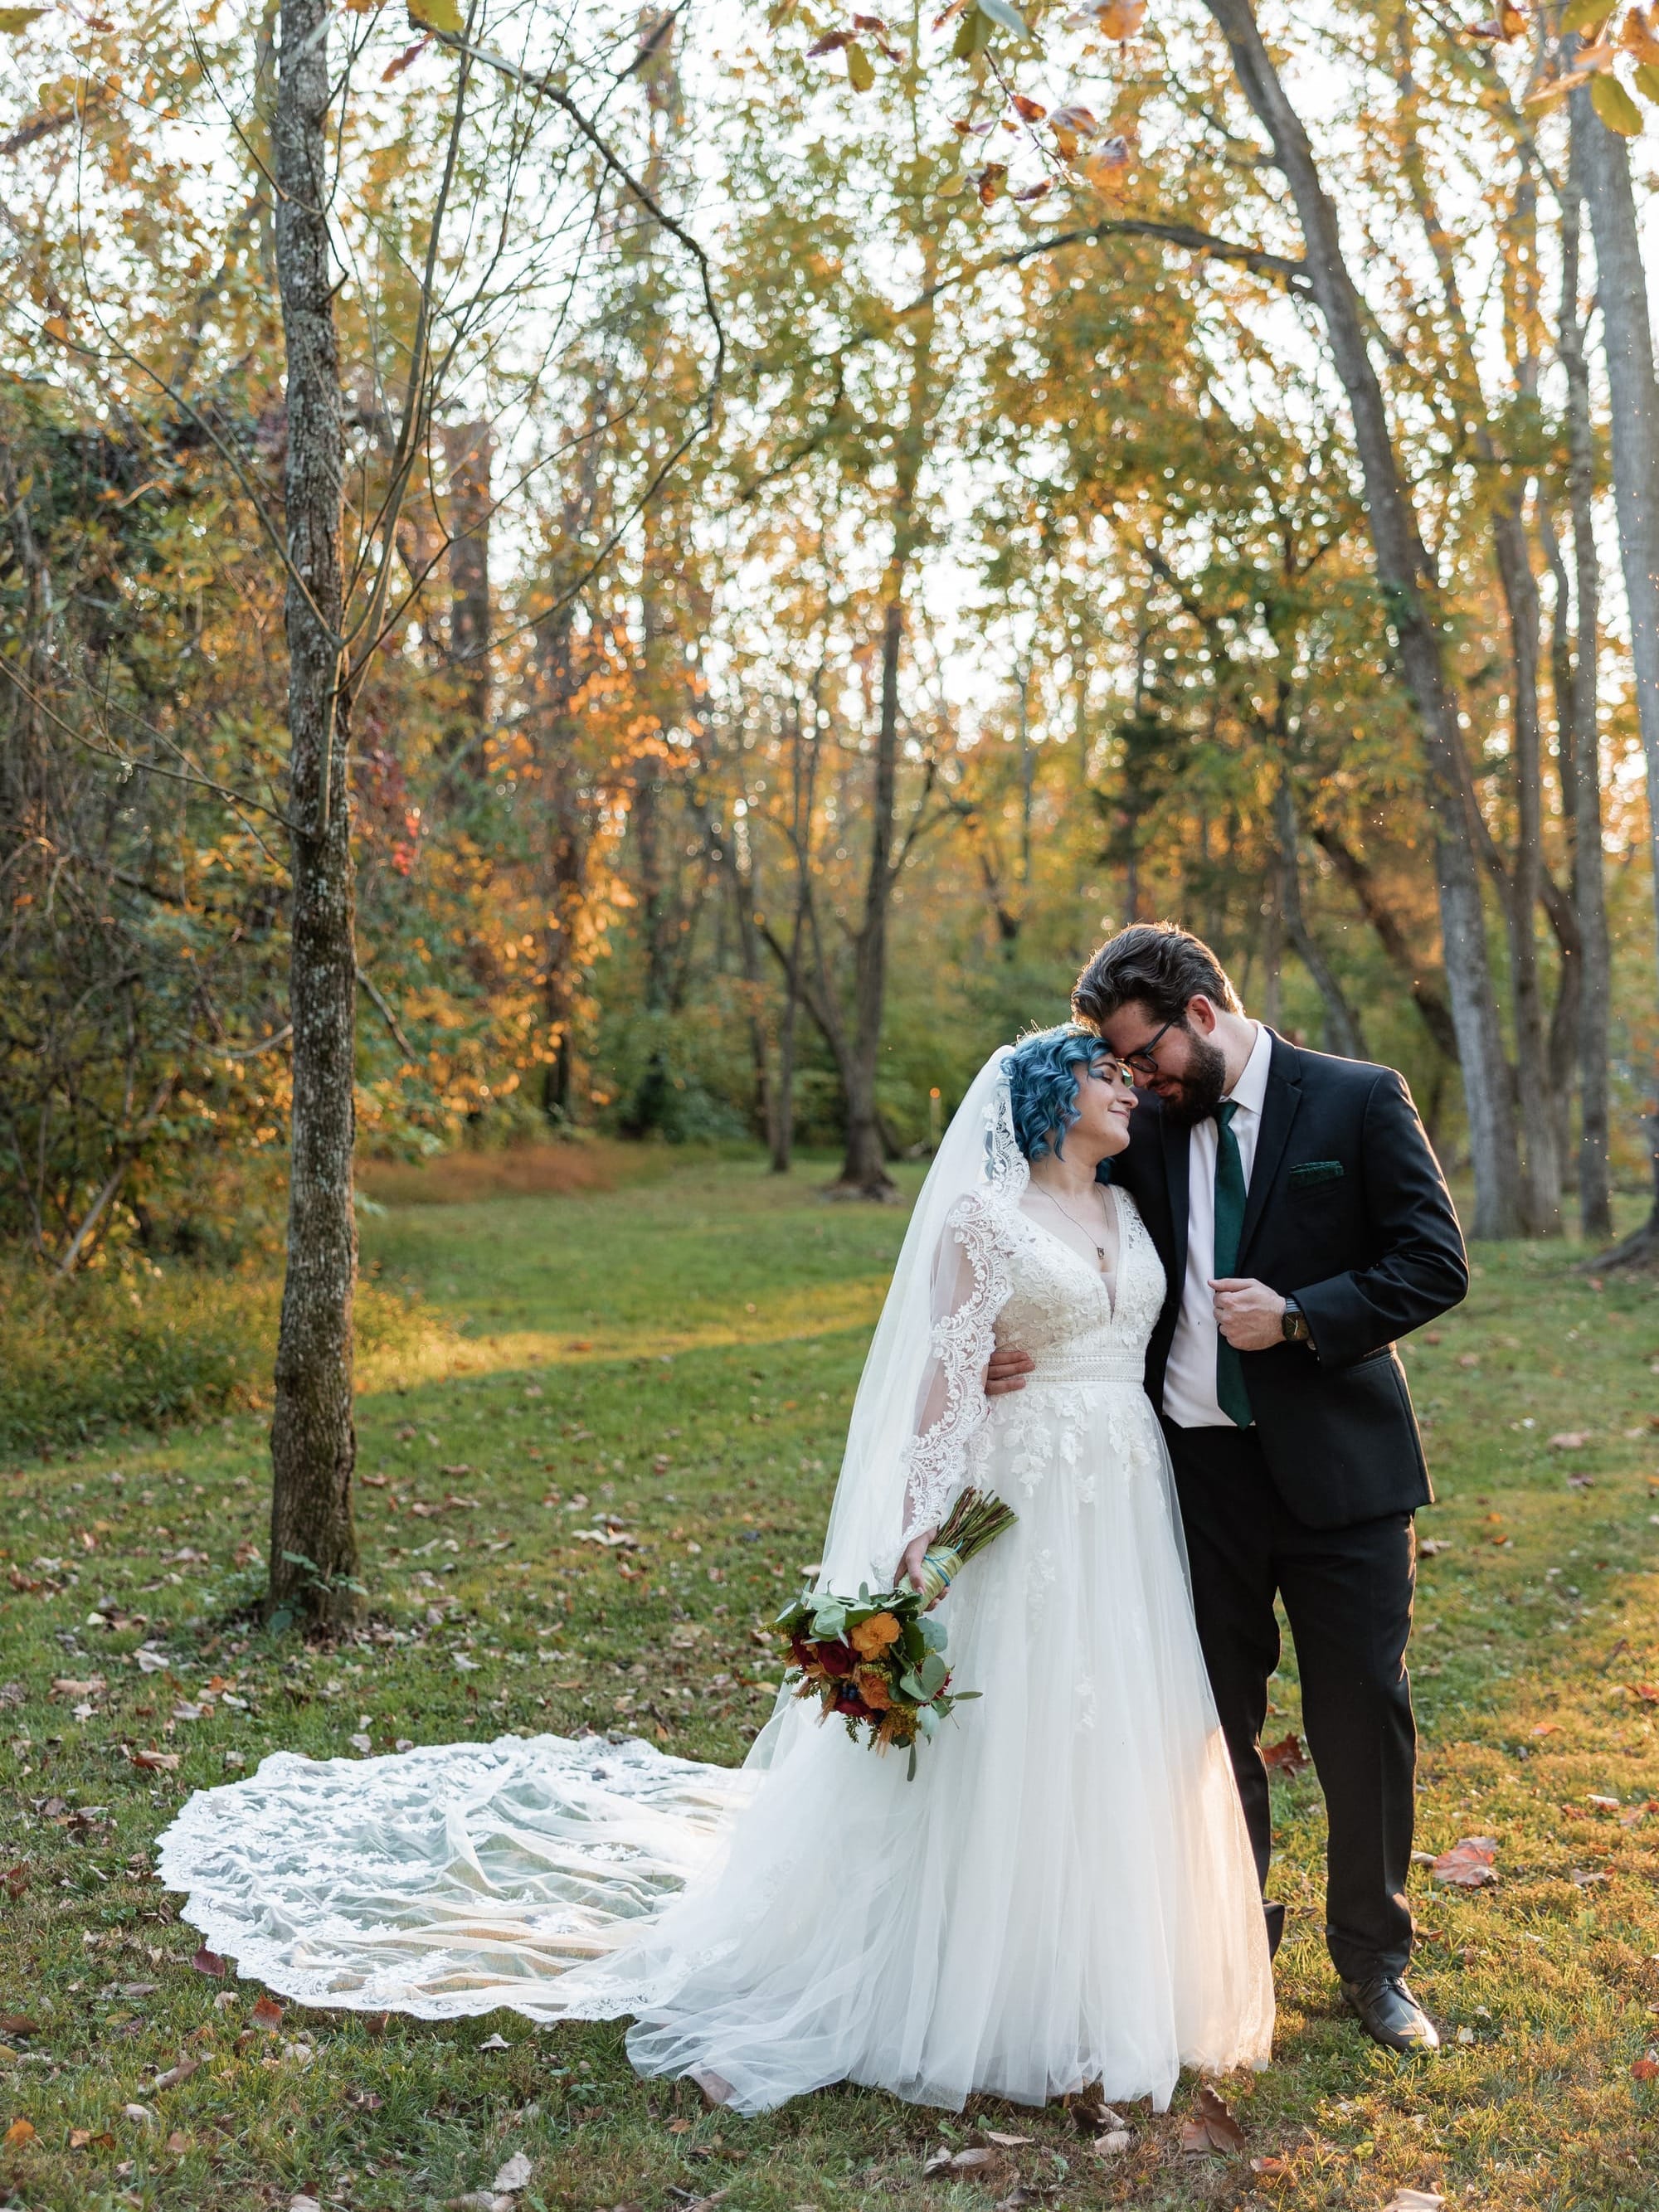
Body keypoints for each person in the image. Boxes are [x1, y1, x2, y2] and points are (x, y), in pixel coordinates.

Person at [157, 1029, 1272, 2116]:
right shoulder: (984, 1217)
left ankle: (1096, 1977)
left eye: (1133, 1075)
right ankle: (948, 1984)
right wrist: (914, 1528)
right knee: (1007, 1730)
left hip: (1119, 1498)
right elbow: (941, 1379)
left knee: (1103, 1726)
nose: (1129, 1090)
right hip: (1014, 1494)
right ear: (1046, 1096)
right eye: (1105, 1075)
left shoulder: (1131, 1209)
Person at [987, 926, 1467, 2056]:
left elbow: (1434, 1261)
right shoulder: (1146, 1127)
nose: (1136, 1080)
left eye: (1142, 1052)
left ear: (1200, 1013)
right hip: (1189, 1476)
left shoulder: (1357, 1100)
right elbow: (1033, 1224)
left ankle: (1375, 1963)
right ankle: (1231, 1940)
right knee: (1208, 1722)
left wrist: (1302, 1314)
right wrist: (1001, 1354)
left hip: (1344, 1480)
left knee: (1361, 1720)